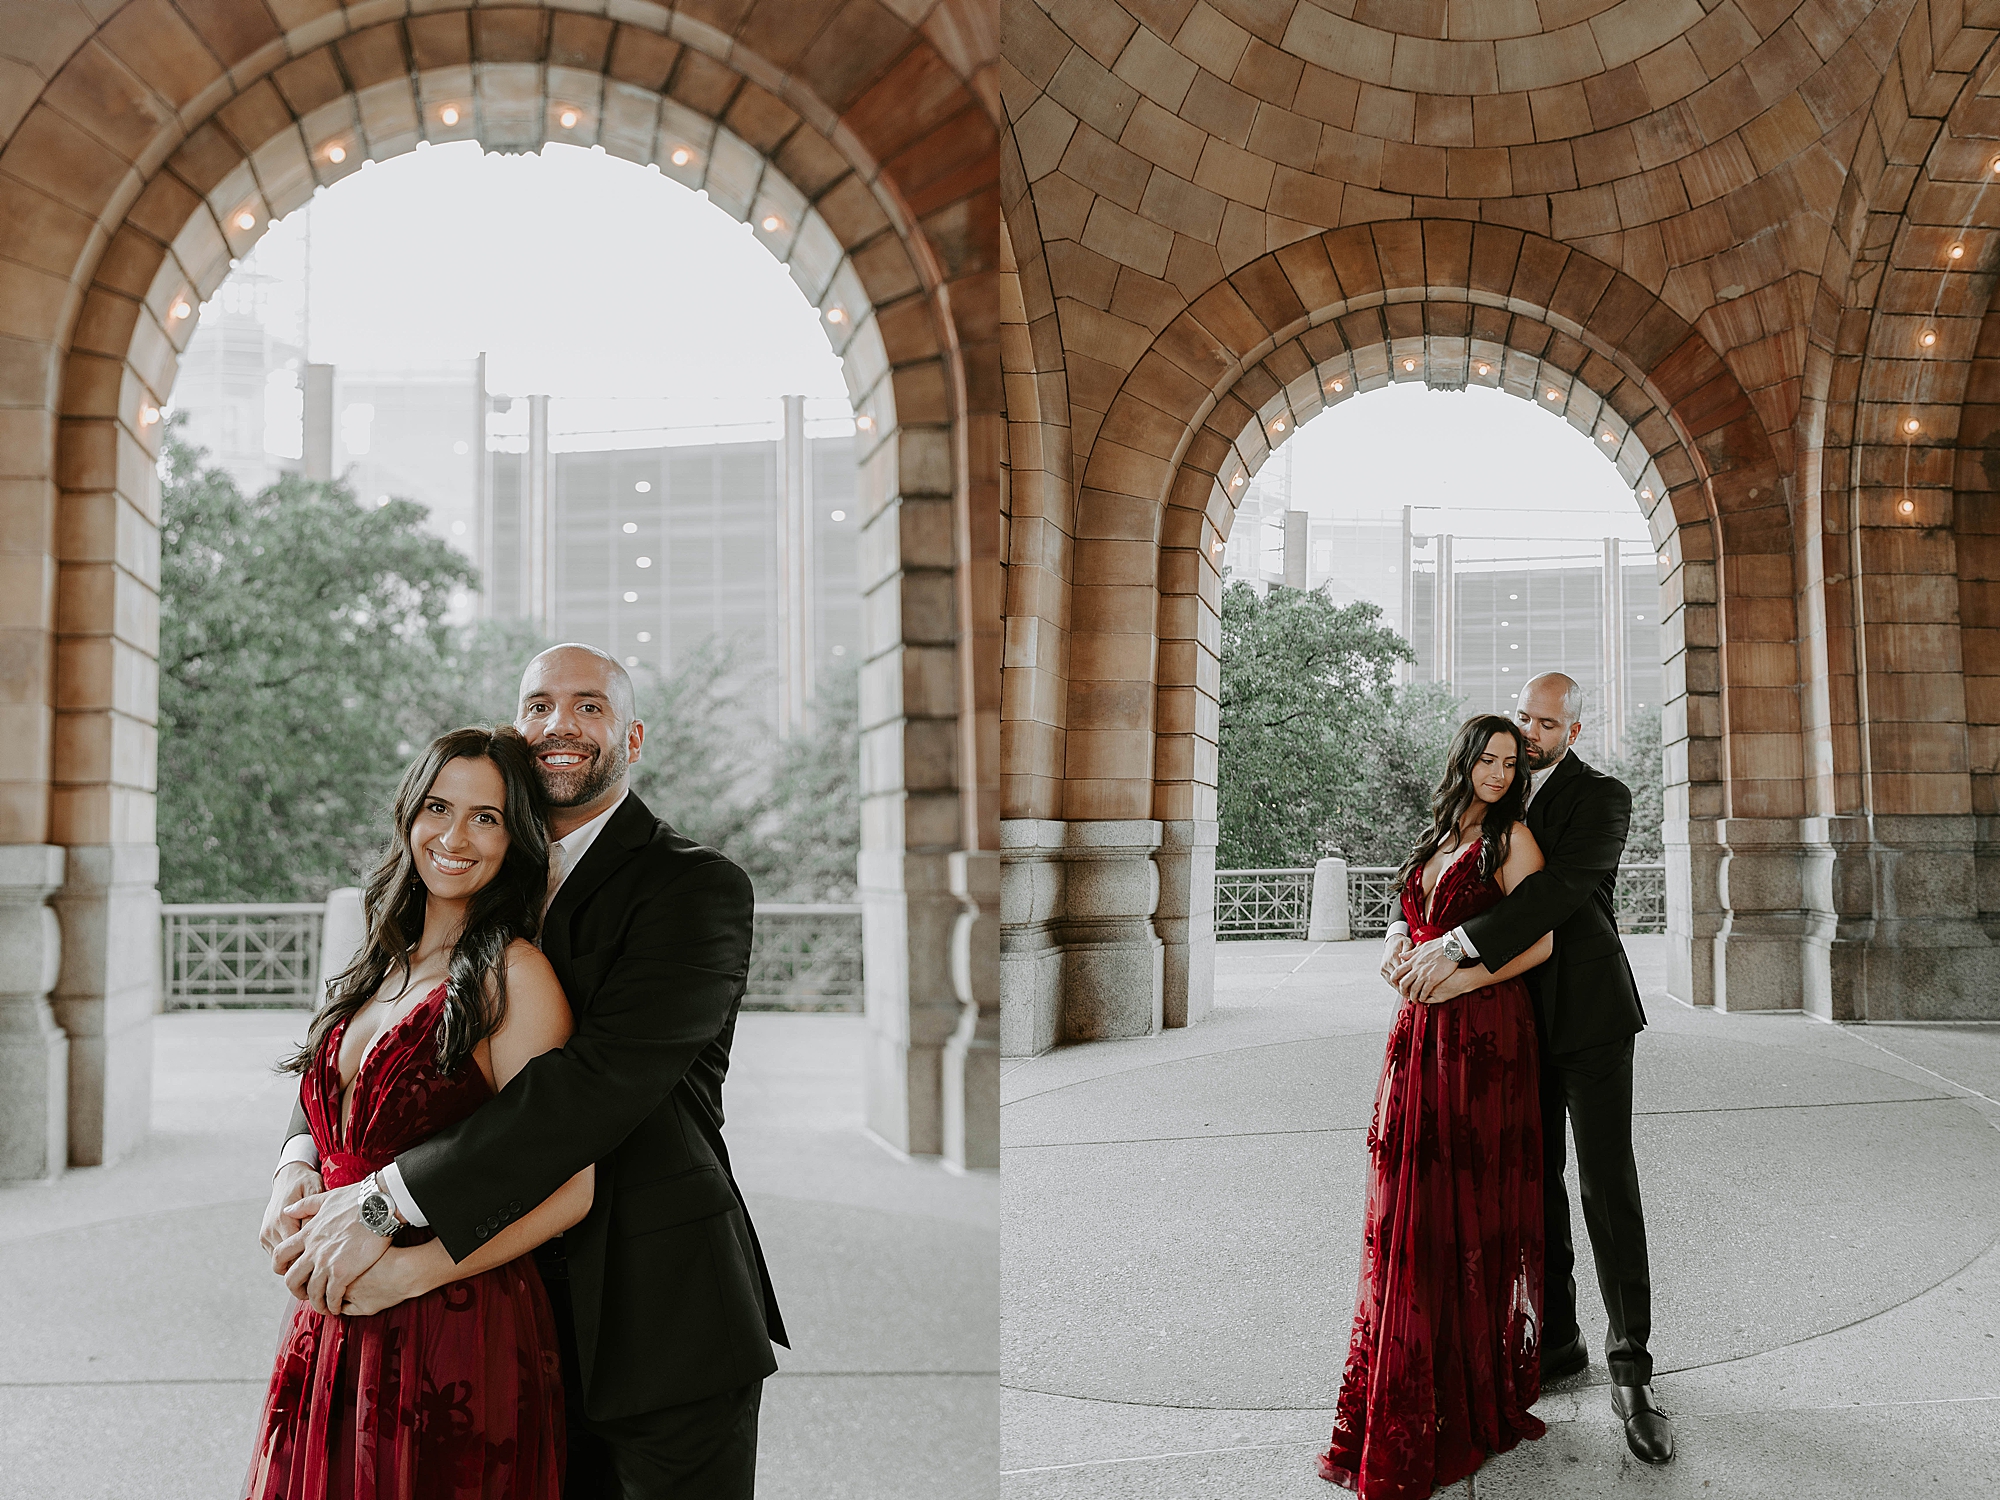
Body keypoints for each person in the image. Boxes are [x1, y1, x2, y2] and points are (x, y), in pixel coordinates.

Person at [267, 644, 787, 1499]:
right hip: (494, 1315)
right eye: (539, 705)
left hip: (652, 1309)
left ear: (633, 736)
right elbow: (373, 1033)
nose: (561, 726)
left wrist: (381, 1202)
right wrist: (298, 1157)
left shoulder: (693, 889)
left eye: (590, 707)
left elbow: (597, 1083)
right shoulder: (470, 880)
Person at [246, 725, 582, 1499]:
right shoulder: (382, 958)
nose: (455, 836)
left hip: (451, 1324)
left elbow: (572, 1186)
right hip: (332, 1316)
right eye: (439, 806)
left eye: (486, 817)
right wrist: (290, 1171)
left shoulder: (514, 975)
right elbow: (326, 1102)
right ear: (408, 815)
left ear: (516, 838)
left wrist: (410, 1274)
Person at [1391, 672, 1673, 1466]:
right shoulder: (1498, 799)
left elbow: (1554, 896)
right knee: (1530, 1181)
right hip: (1510, 1023)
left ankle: (1632, 1370)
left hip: (1587, 1018)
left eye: (1546, 723)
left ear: (1574, 732)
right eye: (1523, 718)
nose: (1531, 733)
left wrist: (1452, 946)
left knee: (1605, 1184)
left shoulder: (1603, 798)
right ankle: (1556, 1338)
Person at [1319, 714, 1554, 1497]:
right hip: (1419, 1040)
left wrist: (1462, 976)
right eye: (1485, 759)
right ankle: (1409, 1378)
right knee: (1412, 1203)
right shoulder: (1437, 837)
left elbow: (1540, 942)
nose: (1497, 772)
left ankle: (1466, 1394)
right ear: (1463, 762)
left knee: (1463, 1207)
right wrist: (1392, 942)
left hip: (1484, 1037)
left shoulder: (1513, 840)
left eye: (1509, 762)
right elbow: (1410, 911)